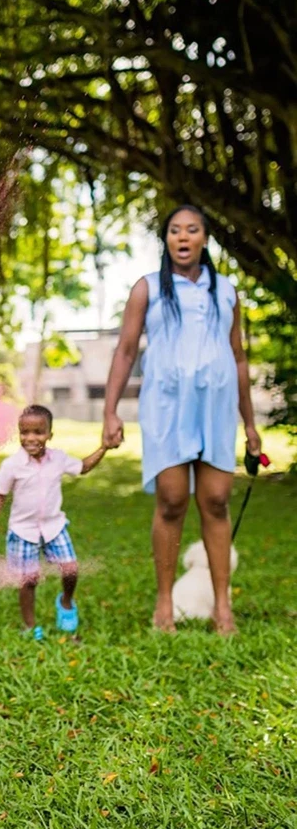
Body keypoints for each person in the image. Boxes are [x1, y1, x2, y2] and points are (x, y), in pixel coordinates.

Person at [102, 204, 261, 635]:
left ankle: (222, 607)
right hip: (167, 407)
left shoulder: (226, 291)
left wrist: (249, 425)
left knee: (215, 502)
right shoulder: (148, 288)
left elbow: (239, 358)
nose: (183, 237)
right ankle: (164, 603)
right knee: (172, 501)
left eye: (192, 230)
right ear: (167, 239)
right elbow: (126, 351)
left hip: (215, 408)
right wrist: (110, 410)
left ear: (205, 239)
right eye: (175, 231)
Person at [0, 405, 107, 639]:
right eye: (24, 432)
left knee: (70, 570)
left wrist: (105, 447)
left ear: (49, 434)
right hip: (22, 531)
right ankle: (30, 626)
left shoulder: (58, 459)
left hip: (54, 527)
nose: (31, 438)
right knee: (29, 581)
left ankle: (66, 603)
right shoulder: (11, 465)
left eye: (38, 432)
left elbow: (84, 467)